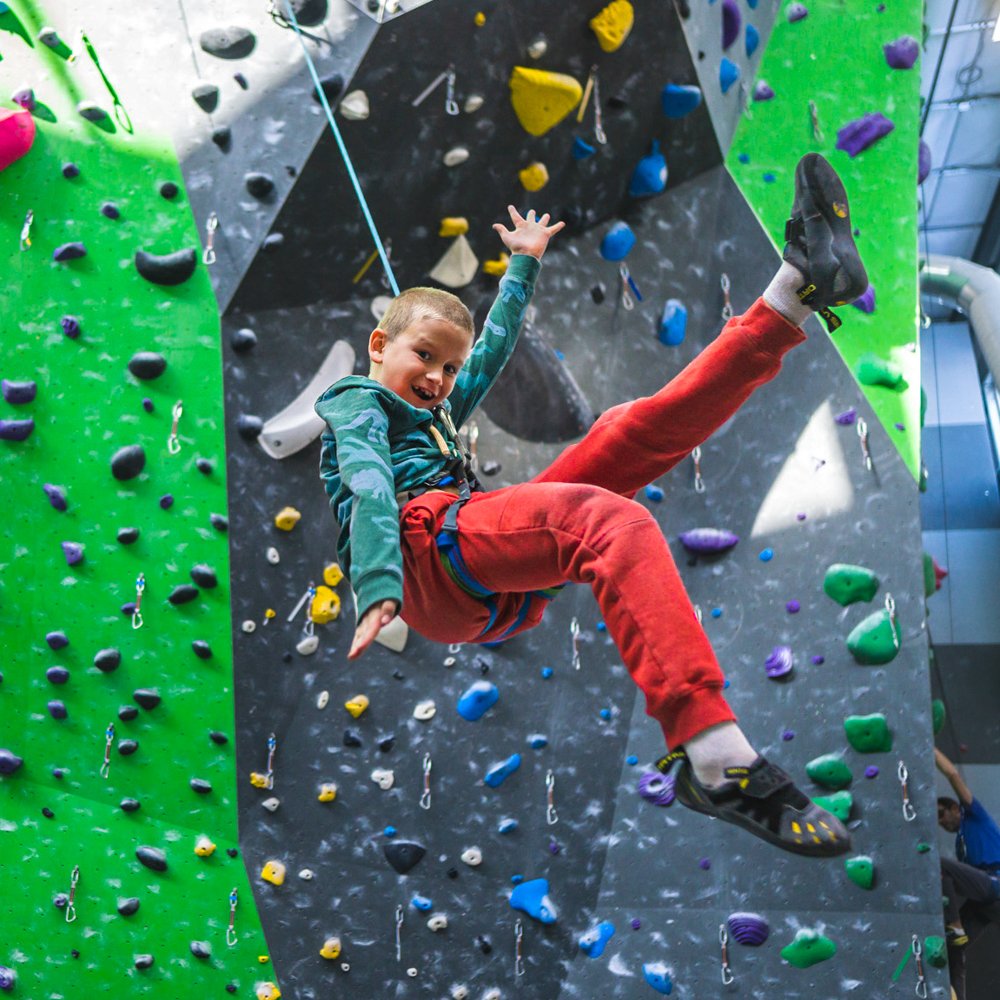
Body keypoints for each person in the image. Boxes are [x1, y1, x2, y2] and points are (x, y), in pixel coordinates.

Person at [315, 153, 868, 857]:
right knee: (607, 520)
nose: (439, 377)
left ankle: (794, 292)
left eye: (446, 367)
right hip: (418, 557)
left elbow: (493, 349)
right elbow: (365, 480)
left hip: (469, 553)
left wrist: (522, 267)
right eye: (424, 357)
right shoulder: (357, 404)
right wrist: (376, 584)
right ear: (378, 344)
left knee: (625, 434)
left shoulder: (436, 408)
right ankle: (715, 758)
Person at [935, 747, 1000, 998]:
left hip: (995, 883)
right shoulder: (961, 846)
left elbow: (952, 774)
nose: (942, 822)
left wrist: (929, 749)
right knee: (951, 950)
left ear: (954, 808)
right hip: (986, 901)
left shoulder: (974, 816)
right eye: (938, 821)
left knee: (939, 864)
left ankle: (955, 925)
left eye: (942, 814)